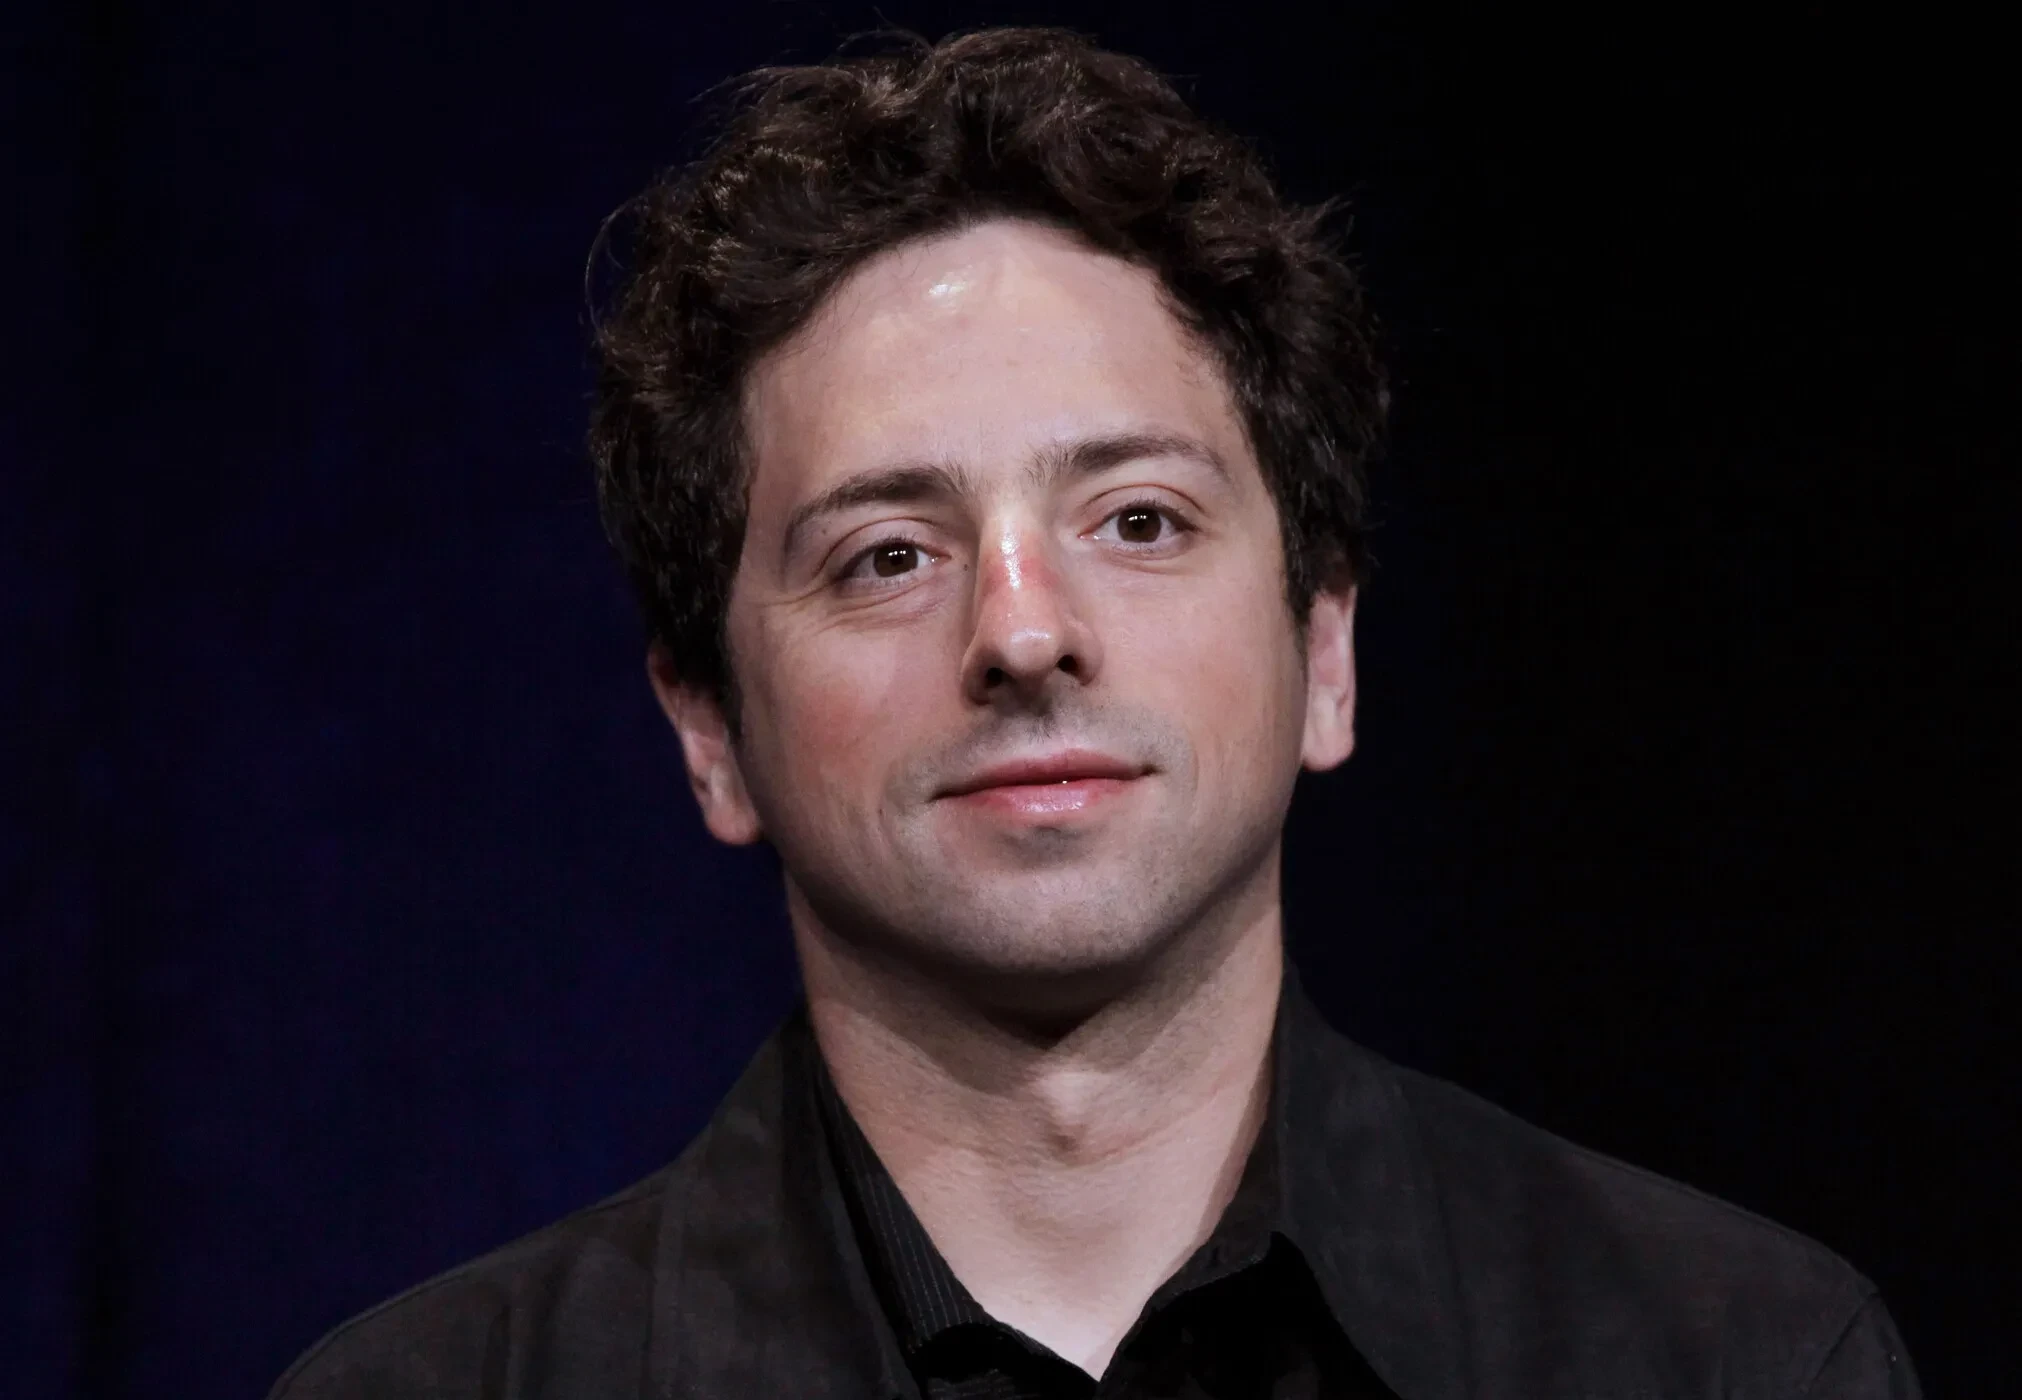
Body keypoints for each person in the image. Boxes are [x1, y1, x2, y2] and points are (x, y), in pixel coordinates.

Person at [270, 26, 1919, 1400]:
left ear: (1325, 650)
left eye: (1136, 520)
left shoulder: (1742, 1360)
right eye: (887, 553)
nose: (1023, 632)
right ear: (707, 730)